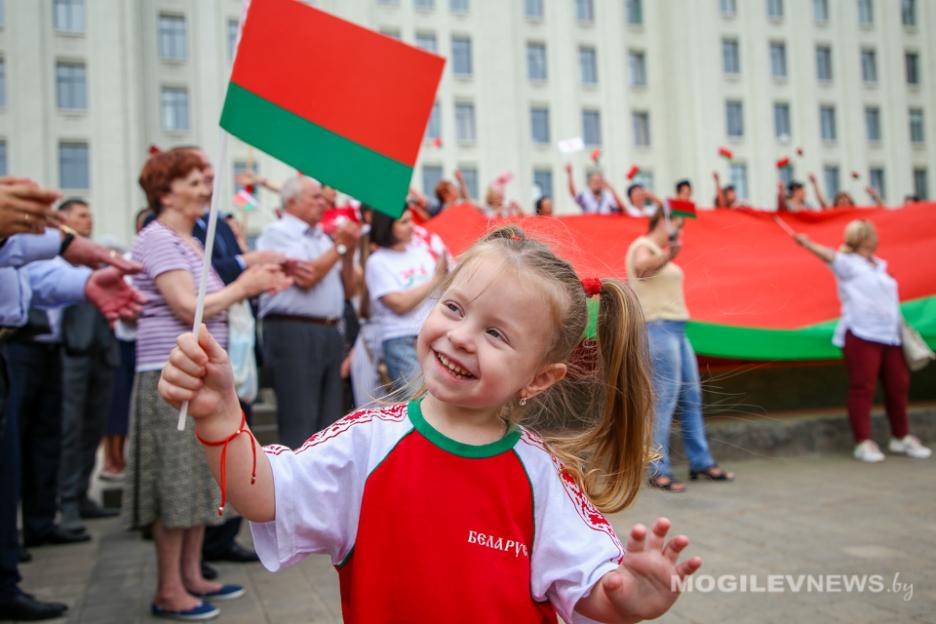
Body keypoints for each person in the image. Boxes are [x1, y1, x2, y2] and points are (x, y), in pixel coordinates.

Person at [159, 224, 703, 623]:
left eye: (497, 334)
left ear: (539, 377)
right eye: (454, 308)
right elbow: (265, 495)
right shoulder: (367, 441)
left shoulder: (542, 478)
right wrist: (221, 413)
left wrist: (627, 598)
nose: (462, 336)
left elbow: (587, 587)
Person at [123, 149, 290, 620]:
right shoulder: (156, 238)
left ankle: (193, 575)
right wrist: (247, 284)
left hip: (196, 374)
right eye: (196, 180)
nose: (205, 187)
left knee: (197, 481)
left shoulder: (191, 241)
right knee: (174, 484)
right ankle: (169, 589)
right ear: (166, 190)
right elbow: (183, 305)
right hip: (168, 374)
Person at [0, 176, 144, 621]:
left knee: (15, 463)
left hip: (15, 343)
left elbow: (28, 276)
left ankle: (9, 570)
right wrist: (63, 243)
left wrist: (81, 280)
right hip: (22, 345)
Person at [789, 219, 931, 463]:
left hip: (891, 335)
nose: (876, 237)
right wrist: (806, 243)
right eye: (872, 234)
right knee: (863, 387)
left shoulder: (879, 265)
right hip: (862, 334)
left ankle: (901, 436)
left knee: (898, 387)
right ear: (863, 238)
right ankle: (863, 442)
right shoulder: (848, 264)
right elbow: (829, 256)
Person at [627, 208, 734, 492]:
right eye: (676, 225)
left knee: (691, 397)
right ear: (662, 222)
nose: (679, 232)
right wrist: (669, 255)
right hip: (658, 327)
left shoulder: (655, 249)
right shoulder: (642, 246)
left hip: (676, 328)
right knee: (663, 401)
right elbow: (641, 268)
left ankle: (700, 461)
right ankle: (656, 468)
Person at [256, 176, 360, 449]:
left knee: (329, 421)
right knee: (299, 419)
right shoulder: (277, 232)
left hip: (329, 331)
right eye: (315, 197)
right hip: (293, 330)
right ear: (292, 201)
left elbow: (350, 290)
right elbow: (307, 276)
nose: (323, 203)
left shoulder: (325, 238)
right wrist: (339, 247)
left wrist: (348, 254)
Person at [57, 199, 122, 535]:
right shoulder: (58, 263)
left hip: (103, 354)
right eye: (81, 215)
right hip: (74, 354)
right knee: (70, 428)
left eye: (89, 214)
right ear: (64, 220)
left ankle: (81, 494)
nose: (88, 220)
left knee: (92, 428)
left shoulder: (97, 264)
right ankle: (66, 502)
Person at [364, 208, 447, 391]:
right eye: (404, 222)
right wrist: (435, 279)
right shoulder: (378, 261)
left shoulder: (420, 253)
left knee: (439, 400)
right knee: (417, 399)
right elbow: (399, 304)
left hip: (432, 335)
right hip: (401, 340)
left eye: (411, 220)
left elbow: (439, 291)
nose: (412, 226)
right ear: (387, 227)